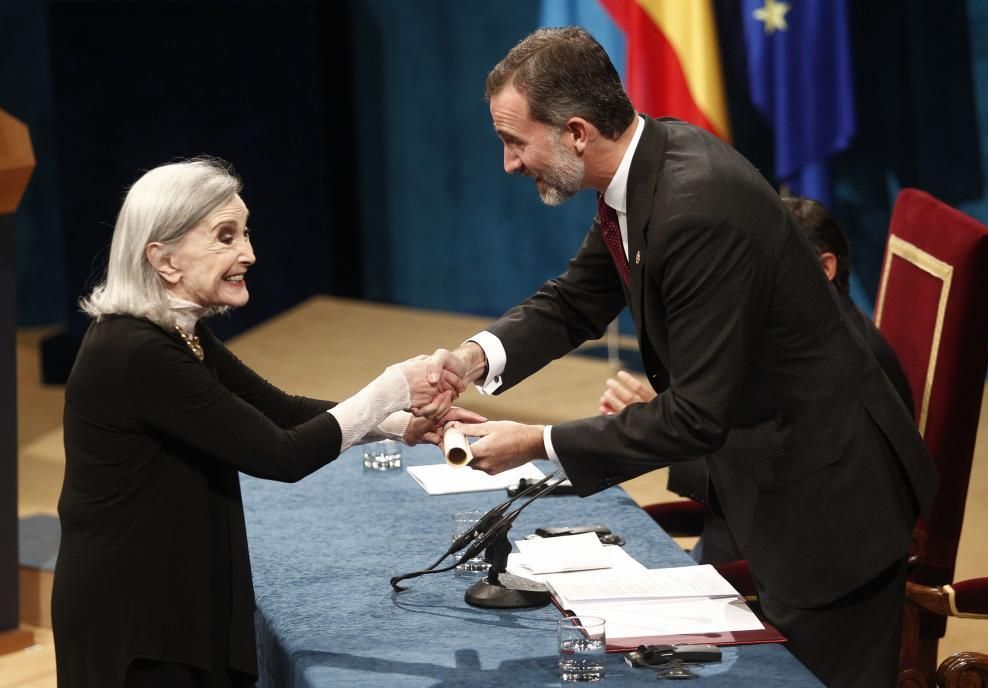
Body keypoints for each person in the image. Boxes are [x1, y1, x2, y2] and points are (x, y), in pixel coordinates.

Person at [430, 27, 938, 688]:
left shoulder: (694, 208)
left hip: (831, 508)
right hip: (772, 480)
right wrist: (469, 360)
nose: (509, 163)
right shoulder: (644, 173)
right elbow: (576, 301)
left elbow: (696, 416)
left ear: (577, 132)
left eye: (513, 141)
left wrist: (535, 441)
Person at [52, 158, 480, 688]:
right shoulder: (135, 351)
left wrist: (401, 425)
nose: (248, 253)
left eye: (246, 232)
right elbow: (280, 454)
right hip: (137, 620)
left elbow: (276, 408)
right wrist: (393, 386)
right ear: (164, 260)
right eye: (225, 237)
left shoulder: (174, 332)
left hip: (170, 594)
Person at [600, 196, 916, 567]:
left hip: (791, 572)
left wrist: (664, 432)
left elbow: (776, 483)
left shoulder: (834, 362)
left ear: (824, 267)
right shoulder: (799, 336)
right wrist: (668, 418)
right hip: (742, 543)